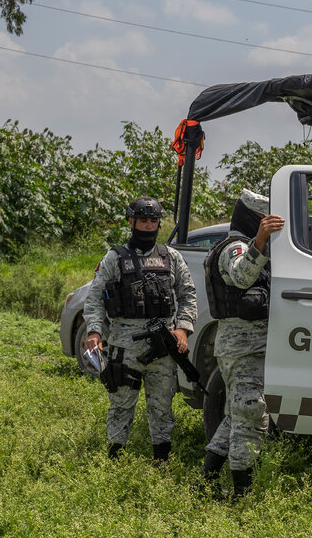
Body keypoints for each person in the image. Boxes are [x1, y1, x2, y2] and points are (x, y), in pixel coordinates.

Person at [83, 196, 197, 462]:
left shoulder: (172, 257)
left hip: (163, 346)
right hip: (125, 346)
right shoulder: (114, 258)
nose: (148, 226)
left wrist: (182, 329)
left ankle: (162, 462)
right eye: (143, 220)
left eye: (153, 220)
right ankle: (115, 460)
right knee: (121, 405)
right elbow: (95, 298)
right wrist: (95, 332)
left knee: (162, 407)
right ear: (131, 222)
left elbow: (188, 293)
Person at [200, 189, 284, 498]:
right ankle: (241, 495)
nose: (270, 225)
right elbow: (240, 277)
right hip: (243, 346)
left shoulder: (246, 245)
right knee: (251, 415)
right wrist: (259, 240)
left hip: (247, 346)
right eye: (265, 220)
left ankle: (206, 480)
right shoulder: (236, 248)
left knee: (237, 415)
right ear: (253, 219)